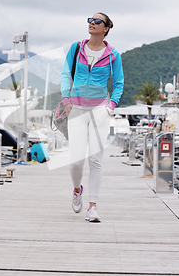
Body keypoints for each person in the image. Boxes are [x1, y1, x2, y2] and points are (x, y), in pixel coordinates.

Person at [60, 12, 124, 222]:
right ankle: (77, 189)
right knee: (76, 162)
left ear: (106, 28)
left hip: (100, 110)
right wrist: (66, 99)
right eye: (90, 20)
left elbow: (119, 83)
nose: (92, 24)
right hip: (77, 109)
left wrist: (110, 106)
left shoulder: (113, 54)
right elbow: (65, 74)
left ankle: (92, 207)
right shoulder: (76, 48)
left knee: (95, 160)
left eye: (97, 21)